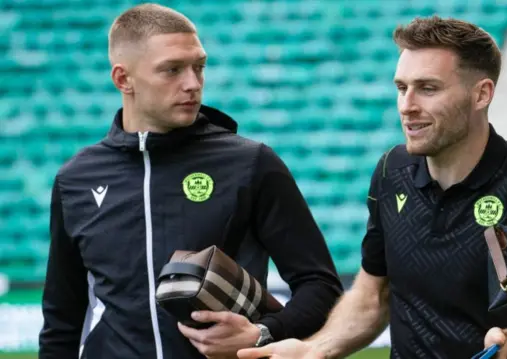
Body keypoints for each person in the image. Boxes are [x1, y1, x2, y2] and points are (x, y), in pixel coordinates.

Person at [237, 16, 507, 359]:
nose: (407, 105)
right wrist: (315, 349)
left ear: (481, 94)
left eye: (428, 88)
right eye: (401, 87)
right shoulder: (390, 171)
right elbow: (374, 295)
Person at [38, 3, 343, 359]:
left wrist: (262, 332)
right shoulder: (76, 179)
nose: (192, 84)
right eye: (172, 70)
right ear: (123, 79)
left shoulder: (251, 163)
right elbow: (62, 316)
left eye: (199, 67)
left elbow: (321, 287)